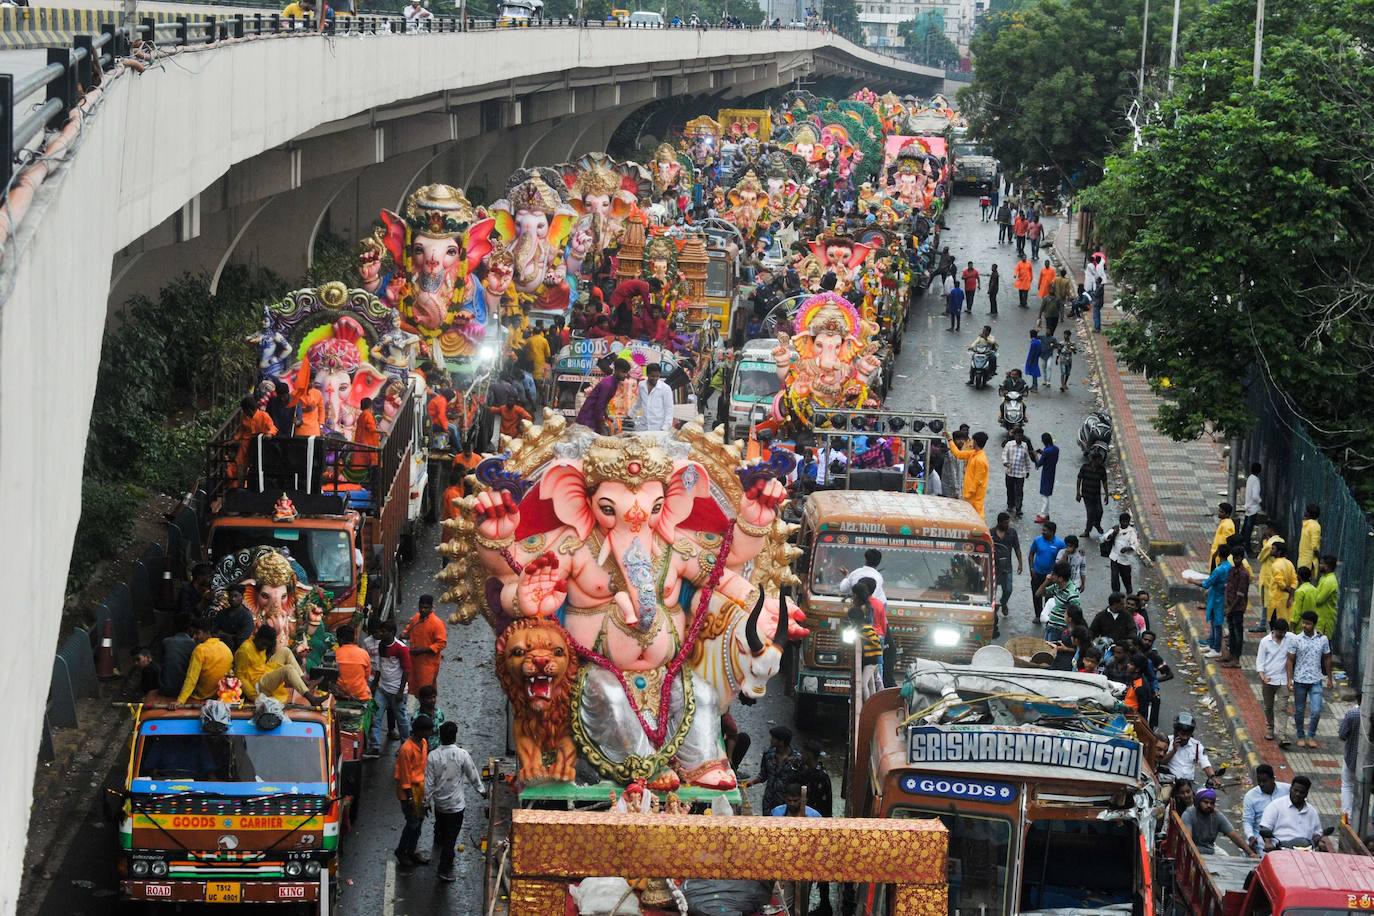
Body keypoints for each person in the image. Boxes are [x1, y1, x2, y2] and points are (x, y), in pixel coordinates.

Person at [425, 719, 486, 882]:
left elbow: (429, 783)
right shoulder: (462, 754)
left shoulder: (433, 756)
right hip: (456, 806)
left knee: (441, 825)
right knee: (451, 839)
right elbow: (473, 775)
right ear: (455, 736)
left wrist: (425, 802)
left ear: (440, 736)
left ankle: (438, 839)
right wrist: (482, 791)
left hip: (440, 804)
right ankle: (444, 869)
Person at [1288, 610, 1332, 749]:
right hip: (1300, 680)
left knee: (1316, 710)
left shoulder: (1322, 639)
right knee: (1299, 710)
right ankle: (1301, 736)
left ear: (1314, 624)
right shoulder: (1296, 639)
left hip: (1316, 680)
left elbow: (1327, 658)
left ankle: (1311, 735)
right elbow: (1290, 659)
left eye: (1307, 623)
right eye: (1303, 622)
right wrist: (1289, 679)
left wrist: (1330, 678)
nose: (1304, 625)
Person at [394, 715, 432, 868]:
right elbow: (404, 776)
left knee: (419, 822)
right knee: (412, 823)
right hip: (408, 792)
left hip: (420, 789)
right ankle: (401, 851)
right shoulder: (406, 749)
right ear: (420, 730)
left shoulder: (423, 743)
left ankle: (411, 851)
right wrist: (410, 799)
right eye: (428, 730)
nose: (430, 733)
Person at [368, 620, 411, 750]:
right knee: (376, 717)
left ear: (392, 632)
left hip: (396, 690)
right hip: (382, 689)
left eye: (384, 631)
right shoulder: (381, 645)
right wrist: (375, 685)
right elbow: (380, 667)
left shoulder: (401, 648)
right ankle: (375, 747)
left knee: (402, 720)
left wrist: (400, 691)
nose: (381, 634)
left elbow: (406, 671)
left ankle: (406, 747)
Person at [743, 726, 803, 815]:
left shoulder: (797, 759)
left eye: (773, 738)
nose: (770, 740)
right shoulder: (768, 754)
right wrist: (749, 783)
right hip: (769, 800)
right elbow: (763, 775)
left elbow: (801, 781)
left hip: (787, 802)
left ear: (781, 742)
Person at [176, 618, 233, 704]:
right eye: (193, 633)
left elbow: (191, 678)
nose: (194, 637)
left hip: (202, 697)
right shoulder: (225, 647)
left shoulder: (199, 650)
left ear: (207, 633)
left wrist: (180, 701)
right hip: (221, 696)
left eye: (197, 633)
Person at [1259, 776, 1324, 851]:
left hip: (1305, 851)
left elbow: (1317, 832)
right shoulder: (1276, 805)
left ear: (1306, 794)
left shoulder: (1312, 812)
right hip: (1281, 850)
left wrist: (1319, 841)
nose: (1297, 794)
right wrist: (1268, 843)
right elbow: (1265, 827)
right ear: (1290, 789)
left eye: (1301, 792)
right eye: (1295, 790)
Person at [1256, 617, 1294, 745]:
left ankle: (1282, 734)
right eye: (1280, 632)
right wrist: (1263, 676)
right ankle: (1270, 728)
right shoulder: (1265, 642)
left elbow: (1302, 637)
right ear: (1274, 630)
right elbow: (1260, 661)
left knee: (1282, 707)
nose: (1282, 635)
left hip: (1283, 680)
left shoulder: (1290, 638)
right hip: (1268, 679)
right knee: (1268, 707)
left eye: (1284, 632)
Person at [1184, 788, 1255, 856]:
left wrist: (1251, 853)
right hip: (1192, 850)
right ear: (1198, 802)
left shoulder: (1216, 816)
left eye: (1212, 803)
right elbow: (1188, 839)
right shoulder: (1189, 814)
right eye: (1205, 802)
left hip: (1210, 850)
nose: (1209, 805)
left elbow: (1233, 835)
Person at [403, 594, 447, 697]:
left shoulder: (437, 623)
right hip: (414, 662)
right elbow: (409, 629)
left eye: (426, 608)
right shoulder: (416, 618)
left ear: (431, 608)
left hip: (428, 665)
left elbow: (441, 643)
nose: (423, 610)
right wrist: (404, 633)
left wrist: (423, 650)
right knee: (416, 690)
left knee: (426, 693)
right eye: (421, 607)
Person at [575, 357, 631, 433]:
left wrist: (606, 417)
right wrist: (601, 425)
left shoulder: (613, 382)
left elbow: (603, 403)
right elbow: (599, 406)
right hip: (588, 418)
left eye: (627, 372)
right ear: (617, 370)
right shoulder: (608, 385)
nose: (625, 375)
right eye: (623, 372)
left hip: (592, 416)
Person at [1242, 764, 1290, 852]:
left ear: (1273, 779)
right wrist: (1250, 836)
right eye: (1259, 781)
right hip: (1261, 840)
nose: (1261, 784)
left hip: (1285, 836)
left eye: (1265, 781)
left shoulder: (1287, 790)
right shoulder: (1250, 796)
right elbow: (1247, 821)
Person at [1160, 712, 1217, 784]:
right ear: (1176, 732)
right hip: (1170, 782)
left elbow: (1205, 764)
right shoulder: (1167, 742)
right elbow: (1161, 763)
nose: (1185, 737)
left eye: (1188, 735)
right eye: (1183, 734)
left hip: (1189, 784)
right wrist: (1173, 750)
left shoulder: (1197, 746)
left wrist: (1213, 777)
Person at [1027, 521, 1065, 624]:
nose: (1042, 532)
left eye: (1045, 530)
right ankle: (1037, 615)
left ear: (1052, 532)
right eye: (1042, 530)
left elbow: (1065, 557)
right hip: (1037, 574)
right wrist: (1031, 569)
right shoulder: (1037, 540)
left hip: (1051, 576)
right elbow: (1031, 554)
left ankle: (1047, 616)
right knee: (1036, 595)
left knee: (1049, 597)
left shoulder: (1060, 544)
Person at [1199, 545, 1233, 657]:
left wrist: (1192, 581)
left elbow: (1206, 583)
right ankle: (1212, 644)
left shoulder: (1219, 570)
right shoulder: (1228, 567)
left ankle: (1216, 648)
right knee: (1215, 622)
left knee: (1216, 623)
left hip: (1217, 599)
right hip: (1221, 597)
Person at [1258, 527, 1295, 628]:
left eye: (1273, 549)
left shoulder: (1275, 564)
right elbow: (1294, 581)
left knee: (1274, 623)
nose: (1271, 550)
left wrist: (1285, 588)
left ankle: (1263, 626)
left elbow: (1260, 558)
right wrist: (1291, 592)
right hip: (1285, 598)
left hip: (1275, 597)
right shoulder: (1289, 563)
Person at [1222, 545, 1252, 667]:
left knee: (1238, 633)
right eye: (1234, 558)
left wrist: (1230, 608)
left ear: (1242, 558)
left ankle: (1236, 659)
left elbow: (1240, 595)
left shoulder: (1244, 574)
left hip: (1237, 608)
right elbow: (1228, 587)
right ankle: (1230, 655)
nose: (1236, 560)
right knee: (1231, 632)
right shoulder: (1231, 570)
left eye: (1238, 558)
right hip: (1230, 606)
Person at [947, 431, 990, 519]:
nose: (970, 443)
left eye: (972, 441)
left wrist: (967, 495)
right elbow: (958, 454)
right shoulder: (973, 454)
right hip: (968, 496)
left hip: (974, 498)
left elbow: (977, 481)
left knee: (976, 517)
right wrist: (950, 440)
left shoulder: (980, 460)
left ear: (976, 442)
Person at [1038, 561, 1082, 642]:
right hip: (1051, 626)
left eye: (1053, 574)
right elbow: (1039, 593)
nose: (1051, 576)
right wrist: (1046, 581)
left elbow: (1076, 616)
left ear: (1060, 578)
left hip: (1060, 630)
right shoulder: (1057, 586)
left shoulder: (1072, 594)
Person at [847, 602, 883, 701]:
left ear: (854, 620)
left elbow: (876, 642)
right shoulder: (859, 629)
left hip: (872, 660)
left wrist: (861, 637)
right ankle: (873, 704)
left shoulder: (867, 629)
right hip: (868, 660)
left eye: (851, 620)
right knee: (871, 684)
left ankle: (867, 706)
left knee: (863, 684)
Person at [990, 512, 1022, 620]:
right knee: (991, 590)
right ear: (999, 522)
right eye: (1005, 523)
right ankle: (993, 608)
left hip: (1007, 567)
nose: (1007, 525)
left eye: (1008, 522)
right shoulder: (991, 533)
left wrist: (1020, 563)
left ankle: (1003, 602)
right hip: (993, 567)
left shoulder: (1012, 533)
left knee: (1008, 589)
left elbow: (1017, 548)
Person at [158, 615, 196, 698]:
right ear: (190, 629)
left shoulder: (166, 642)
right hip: (184, 690)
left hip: (166, 688)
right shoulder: (194, 644)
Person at [1105, 512, 1142, 593]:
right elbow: (1105, 537)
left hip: (1125, 559)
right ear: (1120, 521)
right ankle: (1116, 593)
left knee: (1126, 577)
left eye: (1126, 522)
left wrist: (1127, 548)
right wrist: (1114, 533)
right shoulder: (1115, 528)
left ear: (1129, 522)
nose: (1124, 523)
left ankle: (1129, 590)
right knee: (1114, 577)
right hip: (1114, 557)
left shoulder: (1131, 532)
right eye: (1123, 521)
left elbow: (1135, 544)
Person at [1076, 451, 1110, 539]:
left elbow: (1104, 482)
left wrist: (1106, 494)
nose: (1100, 462)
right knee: (1090, 513)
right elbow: (1079, 479)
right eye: (1098, 460)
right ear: (1094, 460)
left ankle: (1097, 524)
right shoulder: (1085, 467)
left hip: (1096, 495)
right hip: (1087, 495)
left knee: (1100, 511)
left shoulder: (1101, 469)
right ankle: (1087, 531)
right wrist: (1078, 493)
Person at [213, 584, 255, 654]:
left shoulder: (247, 616)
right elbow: (214, 632)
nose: (233, 599)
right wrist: (232, 636)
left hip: (236, 653)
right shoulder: (221, 613)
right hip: (217, 651)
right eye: (231, 596)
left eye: (236, 596)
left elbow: (240, 639)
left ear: (242, 597)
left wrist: (223, 634)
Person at [636, 362, 675, 432]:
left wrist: (665, 427)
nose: (655, 378)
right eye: (652, 376)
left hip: (658, 428)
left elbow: (669, 409)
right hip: (643, 426)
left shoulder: (665, 388)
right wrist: (631, 415)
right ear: (647, 374)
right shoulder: (641, 385)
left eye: (657, 376)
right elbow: (638, 403)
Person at [1002, 427, 1032, 517]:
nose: (1018, 437)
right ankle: (1010, 505)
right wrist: (1006, 463)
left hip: (1020, 473)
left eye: (1020, 435)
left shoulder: (1025, 446)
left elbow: (1026, 458)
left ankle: (1018, 508)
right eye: (1017, 435)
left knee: (1019, 491)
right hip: (1010, 472)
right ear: (1014, 436)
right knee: (1010, 490)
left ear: (1022, 436)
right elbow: (1004, 454)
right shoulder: (1009, 444)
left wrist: (1027, 470)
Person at [1033, 432, 1059, 523]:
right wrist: (1042, 452)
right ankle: (1046, 513)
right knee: (1046, 493)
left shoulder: (1047, 451)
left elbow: (1039, 463)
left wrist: (1035, 455)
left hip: (1046, 472)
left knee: (1044, 495)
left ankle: (1043, 514)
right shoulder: (1055, 449)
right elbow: (1048, 456)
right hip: (1052, 472)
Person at [1313, 555, 1340, 637]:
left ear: (1328, 566)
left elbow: (1319, 599)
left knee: (1323, 643)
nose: (1319, 565)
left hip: (1325, 620)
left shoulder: (1330, 581)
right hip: (1320, 617)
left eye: (1321, 564)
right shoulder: (1324, 577)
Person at [1241, 462, 1262, 550]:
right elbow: (1255, 496)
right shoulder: (1256, 481)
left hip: (1248, 506)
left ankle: (1241, 543)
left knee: (1246, 527)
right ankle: (1247, 548)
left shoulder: (1250, 478)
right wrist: (1260, 501)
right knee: (1249, 529)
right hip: (1253, 507)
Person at [1298, 504, 1322, 576]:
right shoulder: (1314, 525)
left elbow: (1314, 547)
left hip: (1306, 561)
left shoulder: (1309, 525)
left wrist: (1319, 559)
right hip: (1308, 561)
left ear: (1308, 514)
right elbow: (1315, 546)